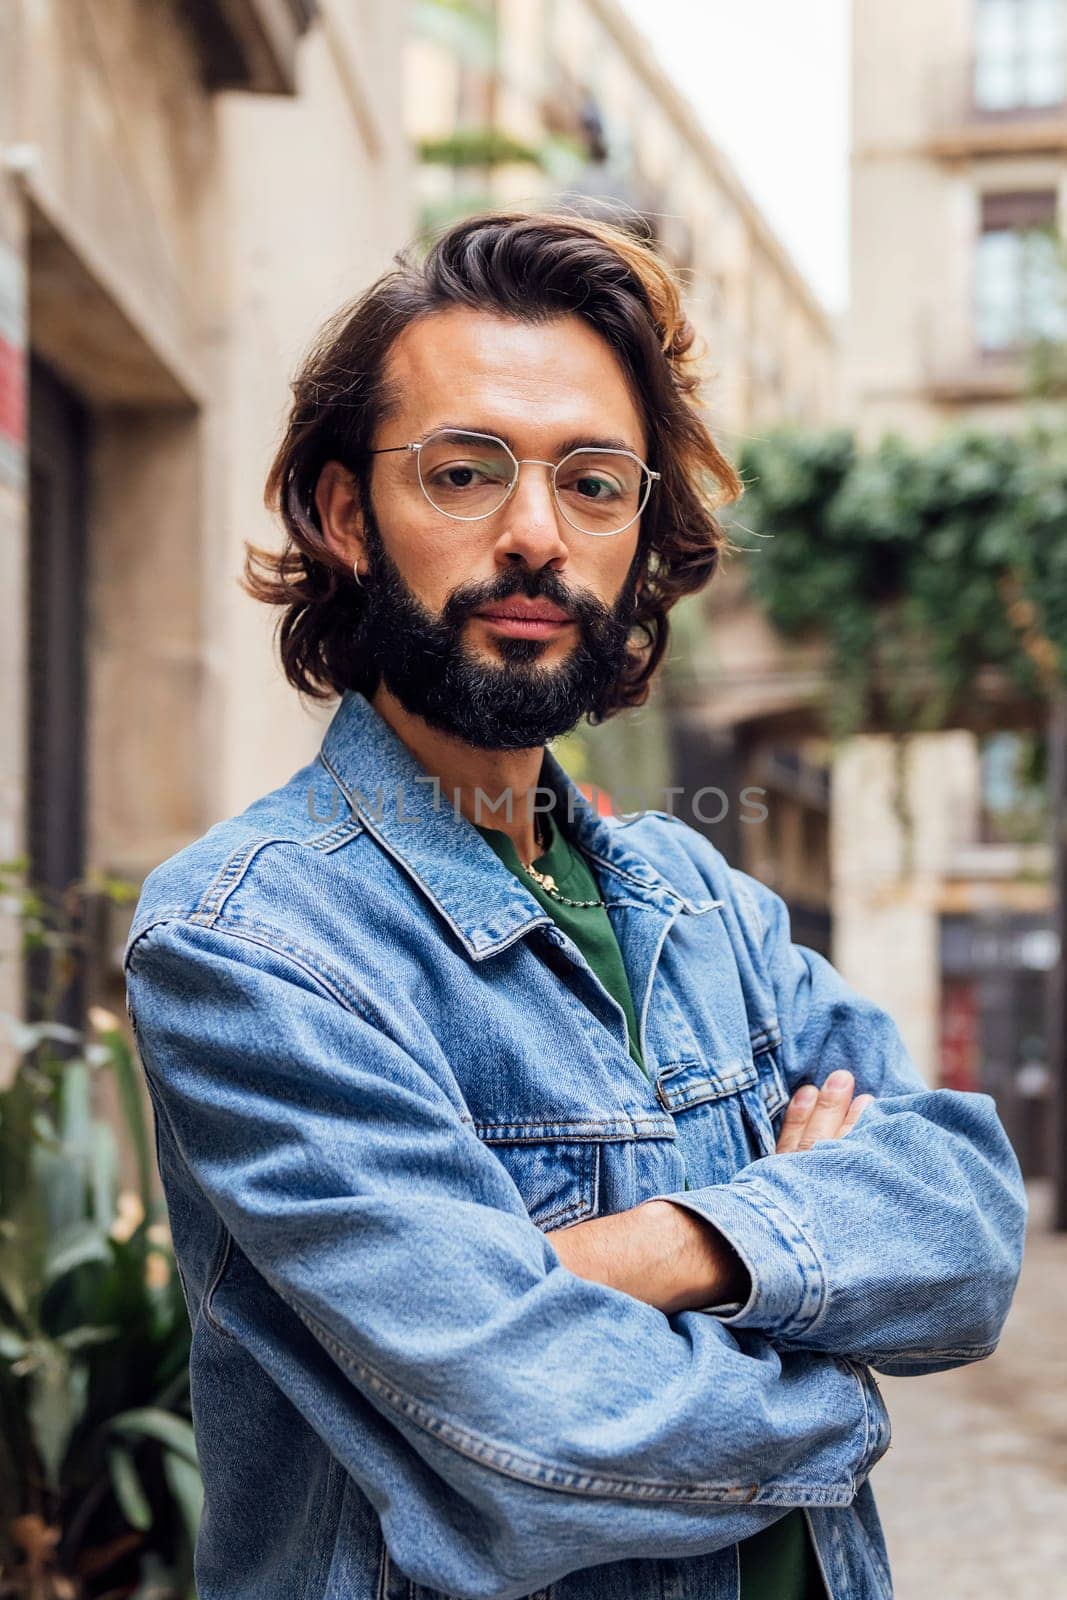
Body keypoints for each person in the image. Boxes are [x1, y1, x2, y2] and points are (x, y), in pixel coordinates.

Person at [122, 210, 1027, 1600]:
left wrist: (674, 1246)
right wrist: (834, 1349)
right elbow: (535, 1425)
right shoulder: (251, 946)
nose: (536, 535)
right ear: (349, 514)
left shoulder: (703, 900)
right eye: (465, 473)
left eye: (596, 484)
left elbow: (965, 1223)